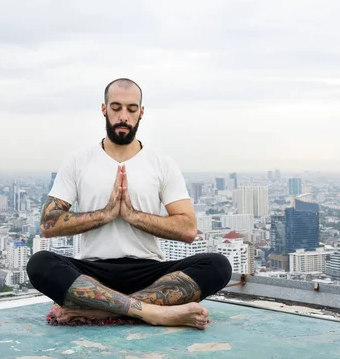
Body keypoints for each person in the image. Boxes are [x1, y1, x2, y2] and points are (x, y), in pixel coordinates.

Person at [27, 78, 231, 329]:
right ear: (104, 109)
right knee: (39, 263)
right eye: (116, 108)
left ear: (141, 113)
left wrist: (134, 216)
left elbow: (188, 228)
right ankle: (151, 312)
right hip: (92, 274)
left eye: (131, 109)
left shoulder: (161, 164)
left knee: (218, 266)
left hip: (150, 274)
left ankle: (99, 311)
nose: (123, 116)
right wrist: (105, 214)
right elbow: (49, 224)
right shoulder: (78, 161)